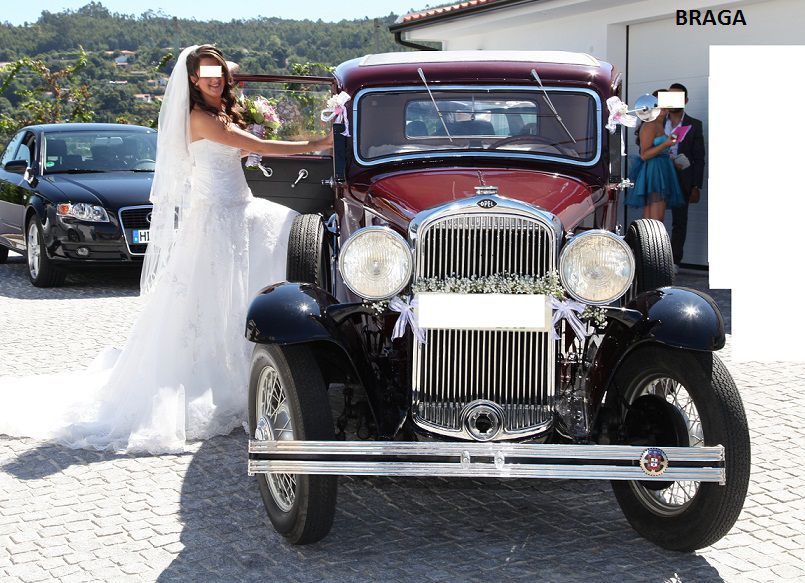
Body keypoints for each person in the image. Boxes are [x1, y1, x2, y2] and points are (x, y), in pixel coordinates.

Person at [0, 45, 332, 454]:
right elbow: (256, 148)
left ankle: (272, 358)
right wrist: (319, 142)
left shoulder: (220, 114)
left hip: (237, 208)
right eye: (207, 72)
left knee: (273, 246)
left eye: (220, 71)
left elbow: (241, 149)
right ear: (192, 79)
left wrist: (264, 127)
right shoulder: (198, 118)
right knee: (225, 287)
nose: (216, 78)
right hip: (218, 217)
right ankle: (230, 376)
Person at [626, 91, 685, 220]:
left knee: (653, 220)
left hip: (661, 169)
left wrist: (673, 159)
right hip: (655, 172)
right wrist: (666, 144)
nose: (663, 107)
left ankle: (647, 240)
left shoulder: (659, 124)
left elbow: (657, 150)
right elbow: (644, 155)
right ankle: (651, 240)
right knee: (656, 220)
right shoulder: (650, 124)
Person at [665, 83, 705, 269]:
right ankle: (651, 260)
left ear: (685, 101)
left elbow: (699, 158)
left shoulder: (694, 125)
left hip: (683, 180)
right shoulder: (656, 121)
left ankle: (674, 261)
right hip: (659, 175)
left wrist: (696, 186)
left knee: (679, 222)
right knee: (653, 219)